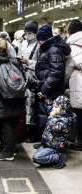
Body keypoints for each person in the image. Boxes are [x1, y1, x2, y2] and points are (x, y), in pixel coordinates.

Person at [34, 24, 71, 149]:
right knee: (47, 117)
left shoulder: (53, 50)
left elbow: (56, 73)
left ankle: (51, 145)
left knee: (52, 117)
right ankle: (46, 141)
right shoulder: (48, 48)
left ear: (41, 38)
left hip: (52, 91)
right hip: (49, 89)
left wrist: (44, 89)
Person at [32, 96, 76, 168]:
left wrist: (51, 117)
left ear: (63, 109)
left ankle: (58, 158)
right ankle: (55, 156)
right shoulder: (57, 113)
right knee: (36, 158)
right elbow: (49, 106)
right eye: (53, 106)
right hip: (47, 143)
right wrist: (47, 98)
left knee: (37, 158)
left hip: (54, 146)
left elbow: (54, 128)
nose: (53, 108)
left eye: (56, 107)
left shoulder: (65, 121)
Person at [64, 19, 82, 151]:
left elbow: (69, 67)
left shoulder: (71, 47)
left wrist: (64, 82)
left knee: (80, 112)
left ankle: (80, 142)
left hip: (78, 81)